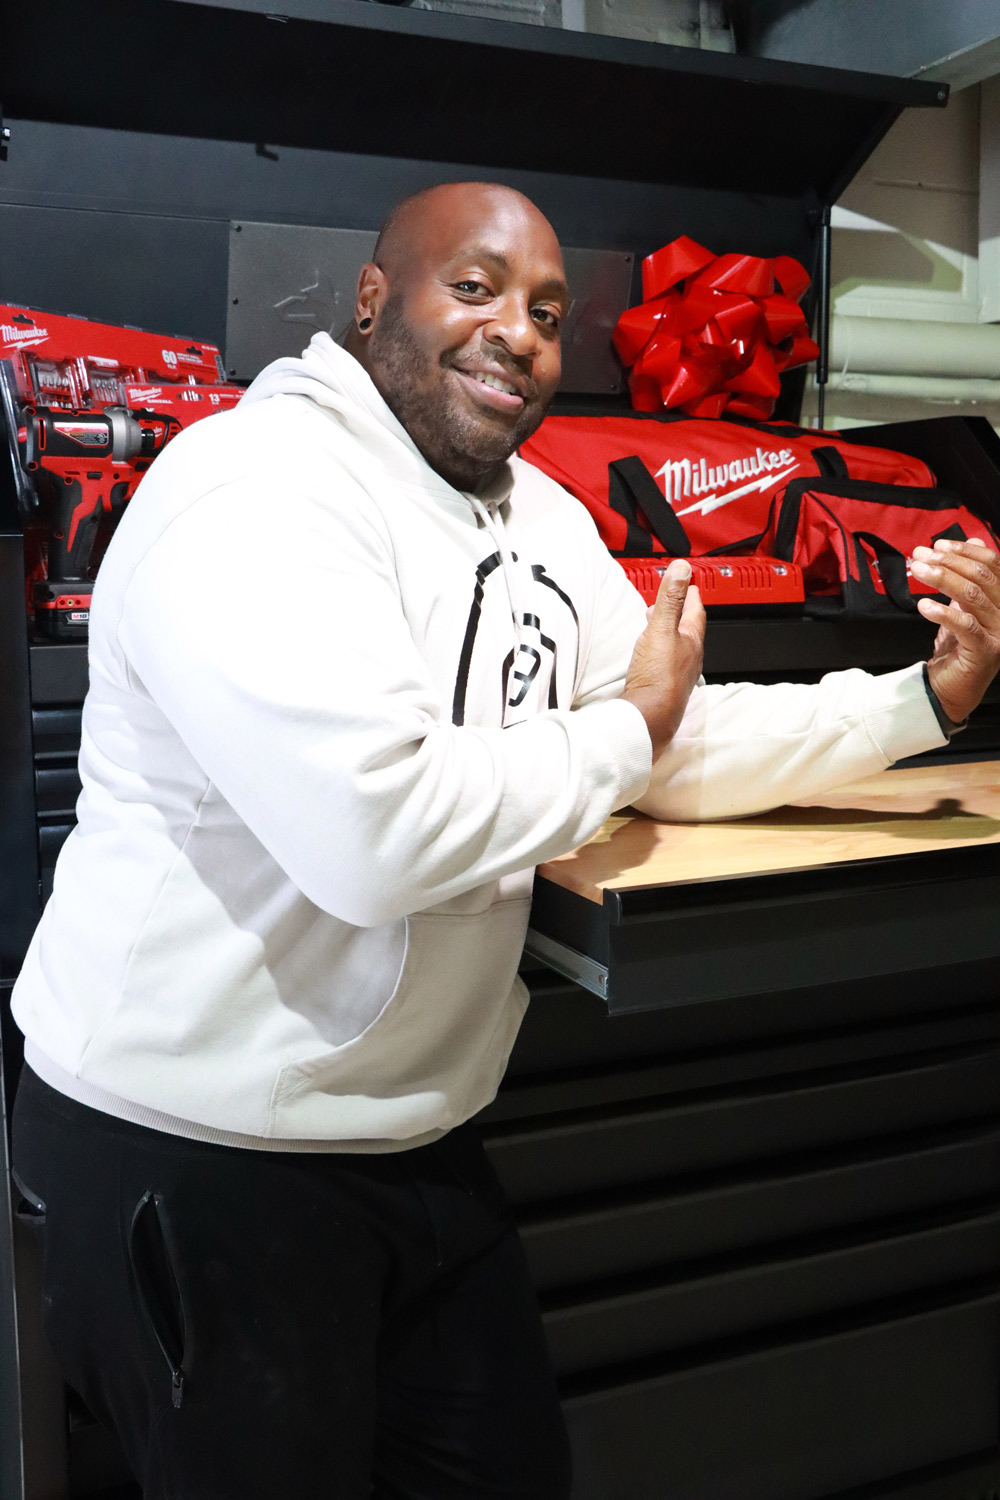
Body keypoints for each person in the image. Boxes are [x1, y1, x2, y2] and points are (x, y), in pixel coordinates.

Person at [10, 182, 1000, 1500]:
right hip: (198, 1156)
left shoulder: (539, 518)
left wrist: (922, 701)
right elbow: (376, 833)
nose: (517, 333)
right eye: (472, 288)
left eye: (545, 310)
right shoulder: (253, 489)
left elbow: (672, 740)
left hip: (416, 1145)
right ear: (373, 301)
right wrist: (625, 736)